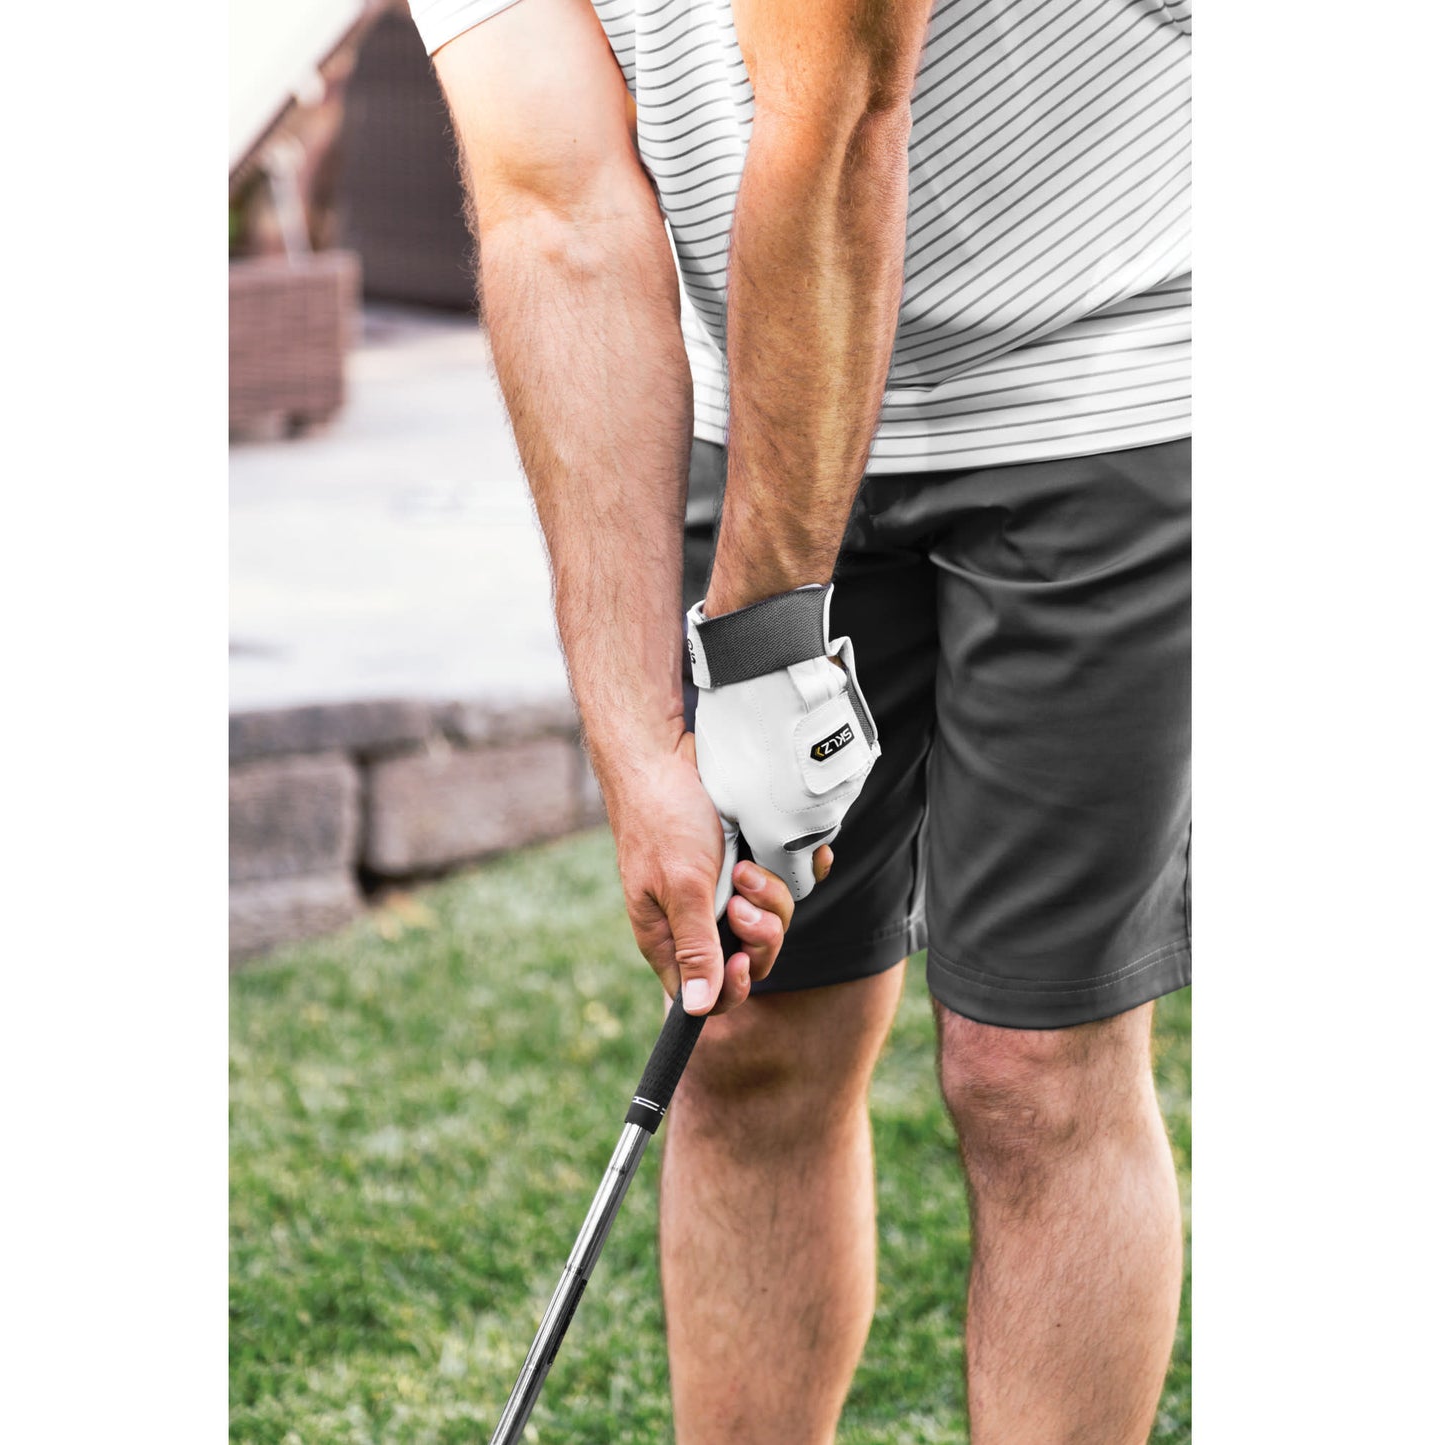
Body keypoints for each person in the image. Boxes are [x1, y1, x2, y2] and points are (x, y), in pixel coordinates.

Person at [411, 0, 1191, 1438]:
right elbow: (554, 209)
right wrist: (641, 744)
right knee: (744, 1023)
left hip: (1102, 364)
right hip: (763, 365)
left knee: (1032, 1070)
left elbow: (837, 117)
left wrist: (762, 650)